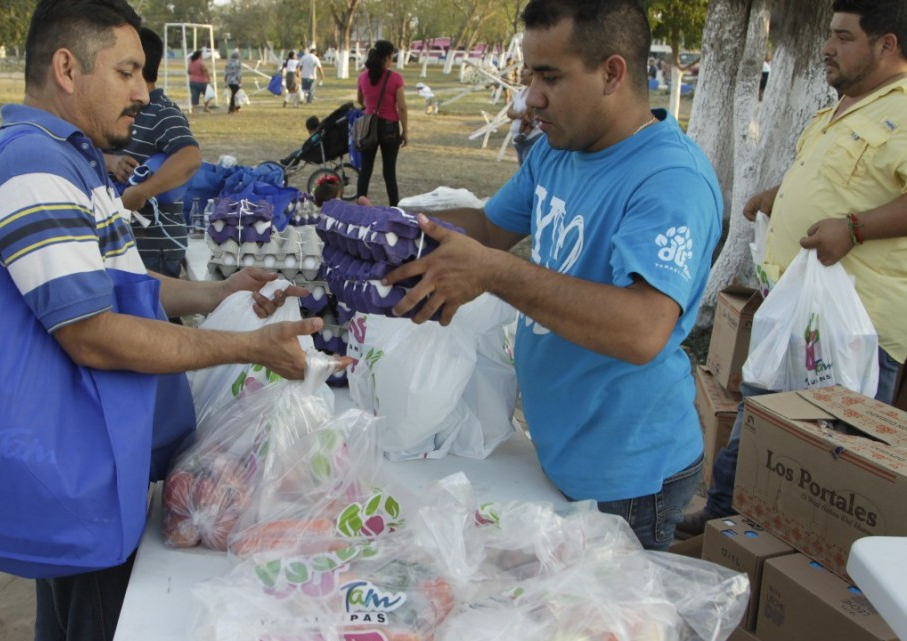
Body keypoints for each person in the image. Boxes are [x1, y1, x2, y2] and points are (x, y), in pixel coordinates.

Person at [0, 2, 338, 639]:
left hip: (98, 461)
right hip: (73, 469)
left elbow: (123, 286)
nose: (143, 93)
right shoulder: (32, 168)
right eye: (128, 71)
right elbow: (94, 333)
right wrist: (245, 346)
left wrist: (214, 292)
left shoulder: (68, 158)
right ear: (66, 68)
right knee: (93, 618)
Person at [379, 0, 722, 551]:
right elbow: (489, 228)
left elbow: (641, 330)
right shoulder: (557, 151)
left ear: (612, 73)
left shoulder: (670, 179)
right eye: (529, 75)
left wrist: (494, 273)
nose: (530, 97)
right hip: (561, 448)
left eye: (550, 77)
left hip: (628, 475)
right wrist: (388, 225)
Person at [678, 0, 907, 537]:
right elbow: (833, 179)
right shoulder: (845, 107)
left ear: (887, 45)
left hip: (854, 330)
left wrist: (852, 229)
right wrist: (775, 197)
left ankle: (801, 580)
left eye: (843, 37)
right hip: (800, 315)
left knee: (829, 474)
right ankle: (724, 529)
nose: (827, 46)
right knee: (761, 430)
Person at [106, 26, 202, 283]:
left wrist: (140, 192)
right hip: (121, 241)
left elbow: (190, 158)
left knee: (157, 314)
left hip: (153, 246)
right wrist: (111, 161)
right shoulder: (119, 108)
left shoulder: (162, 111)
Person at [354, 40, 407, 207]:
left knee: (366, 169)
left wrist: (370, 105)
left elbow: (360, 100)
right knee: (389, 171)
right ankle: (394, 206)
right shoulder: (396, 78)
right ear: (387, 57)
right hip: (390, 127)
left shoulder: (363, 77)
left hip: (369, 126)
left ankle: (361, 204)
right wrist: (405, 131)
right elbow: (402, 107)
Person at [506, 67, 541, 165]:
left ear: (532, 75)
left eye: (524, 70)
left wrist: (524, 134)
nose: (520, 72)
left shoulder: (537, 93)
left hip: (531, 140)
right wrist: (519, 114)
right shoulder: (521, 92)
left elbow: (530, 115)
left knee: (530, 175)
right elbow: (509, 112)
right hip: (520, 143)